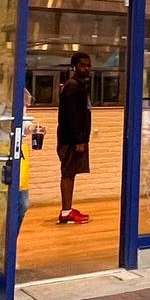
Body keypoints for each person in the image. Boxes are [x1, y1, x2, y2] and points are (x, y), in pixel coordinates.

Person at [57, 52, 93, 225]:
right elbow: (71, 116)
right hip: (71, 139)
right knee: (68, 173)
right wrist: (79, 139)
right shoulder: (72, 86)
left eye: (88, 65)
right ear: (74, 66)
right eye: (82, 65)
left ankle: (68, 208)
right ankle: (65, 212)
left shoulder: (81, 85)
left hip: (76, 138)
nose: (86, 68)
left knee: (71, 173)